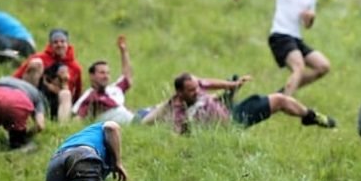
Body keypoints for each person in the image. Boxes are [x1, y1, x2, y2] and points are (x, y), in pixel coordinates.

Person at [232, 0, 330, 96]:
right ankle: (285, 100)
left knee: (323, 66)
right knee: (299, 67)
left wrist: (310, 18)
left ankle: (284, 92)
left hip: (296, 38)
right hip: (280, 35)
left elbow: (307, 25)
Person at [141, 72, 335, 133]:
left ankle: (312, 117)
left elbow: (208, 82)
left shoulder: (196, 85)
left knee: (280, 99)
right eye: (191, 90)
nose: (196, 90)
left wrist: (232, 84)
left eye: (196, 87)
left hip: (228, 109)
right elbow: (177, 133)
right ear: (180, 92)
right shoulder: (178, 111)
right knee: (279, 100)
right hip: (233, 123)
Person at [13, 28, 83, 121]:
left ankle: (62, 127)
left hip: (58, 102)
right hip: (36, 95)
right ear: (50, 45)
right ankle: (25, 110)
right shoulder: (39, 58)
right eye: (55, 42)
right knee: (36, 63)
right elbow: (17, 77)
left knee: (66, 94)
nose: (59, 45)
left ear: (67, 44)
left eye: (62, 41)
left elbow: (77, 93)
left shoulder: (75, 67)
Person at [72, 36, 135, 123]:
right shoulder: (89, 96)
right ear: (92, 76)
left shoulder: (115, 89)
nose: (106, 76)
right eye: (102, 73)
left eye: (108, 73)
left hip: (136, 117)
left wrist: (123, 51)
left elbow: (128, 77)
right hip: (131, 122)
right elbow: (77, 118)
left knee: (158, 110)